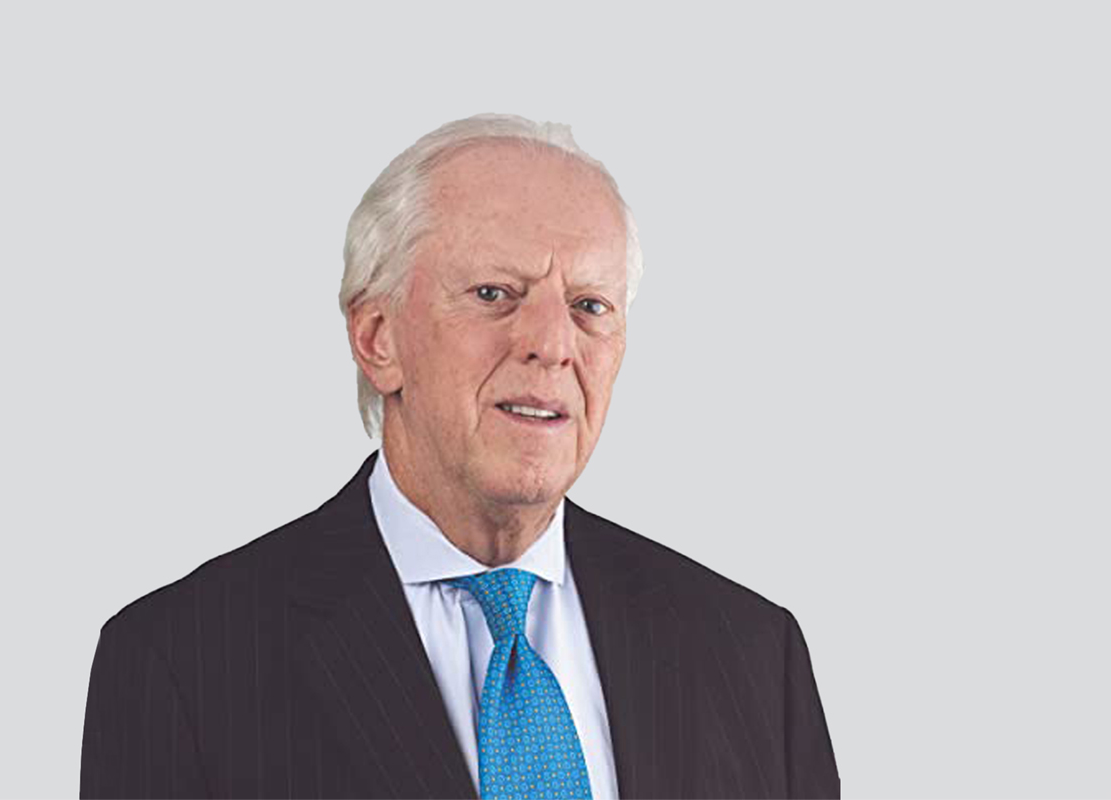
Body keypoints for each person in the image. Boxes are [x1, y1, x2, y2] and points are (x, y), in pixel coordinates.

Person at [79, 113, 840, 799]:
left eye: (589, 306)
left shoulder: (750, 651)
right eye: (494, 294)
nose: (552, 344)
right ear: (377, 338)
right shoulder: (184, 663)